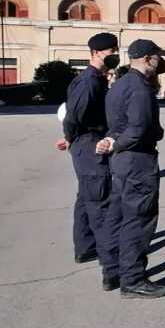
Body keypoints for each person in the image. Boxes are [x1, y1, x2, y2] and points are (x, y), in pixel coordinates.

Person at [96, 39, 165, 299]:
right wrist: (117, 142)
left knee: (116, 217)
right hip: (137, 161)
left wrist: (112, 141)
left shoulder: (120, 84)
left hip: (122, 163)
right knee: (138, 220)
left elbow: (116, 123)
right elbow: (138, 129)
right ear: (149, 58)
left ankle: (112, 271)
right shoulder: (140, 88)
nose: (160, 61)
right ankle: (133, 279)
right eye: (158, 56)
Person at [55, 32, 119, 269]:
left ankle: (85, 248)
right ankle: (111, 263)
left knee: (86, 198)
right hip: (89, 142)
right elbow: (74, 115)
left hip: (87, 141)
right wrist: (69, 138)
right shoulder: (89, 81)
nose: (115, 55)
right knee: (100, 200)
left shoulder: (98, 79)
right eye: (111, 52)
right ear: (94, 53)